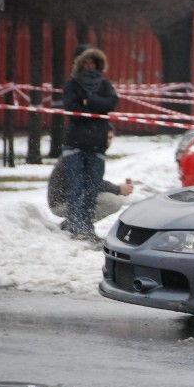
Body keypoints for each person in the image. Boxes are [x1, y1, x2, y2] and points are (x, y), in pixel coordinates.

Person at [61, 47, 119, 243]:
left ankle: (86, 226)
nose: (90, 66)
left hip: (98, 146)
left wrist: (89, 100)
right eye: (86, 63)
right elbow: (72, 108)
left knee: (92, 189)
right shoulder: (72, 85)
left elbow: (111, 103)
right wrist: (95, 106)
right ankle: (75, 226)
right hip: (75, 145)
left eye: (93, 63)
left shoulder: (105, 85)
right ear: (80, 64)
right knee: (77, 186)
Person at [48, 125, 133, 230]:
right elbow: (90, 182)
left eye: (111, 138)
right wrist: (118, 189)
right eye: (106, 137)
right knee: (112, 202)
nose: (109, 142)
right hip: (61, 202)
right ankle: (76, 226)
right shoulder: (83, 153)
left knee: (110, 198)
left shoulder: (89, 150)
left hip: (73, 197)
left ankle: (73, 224)